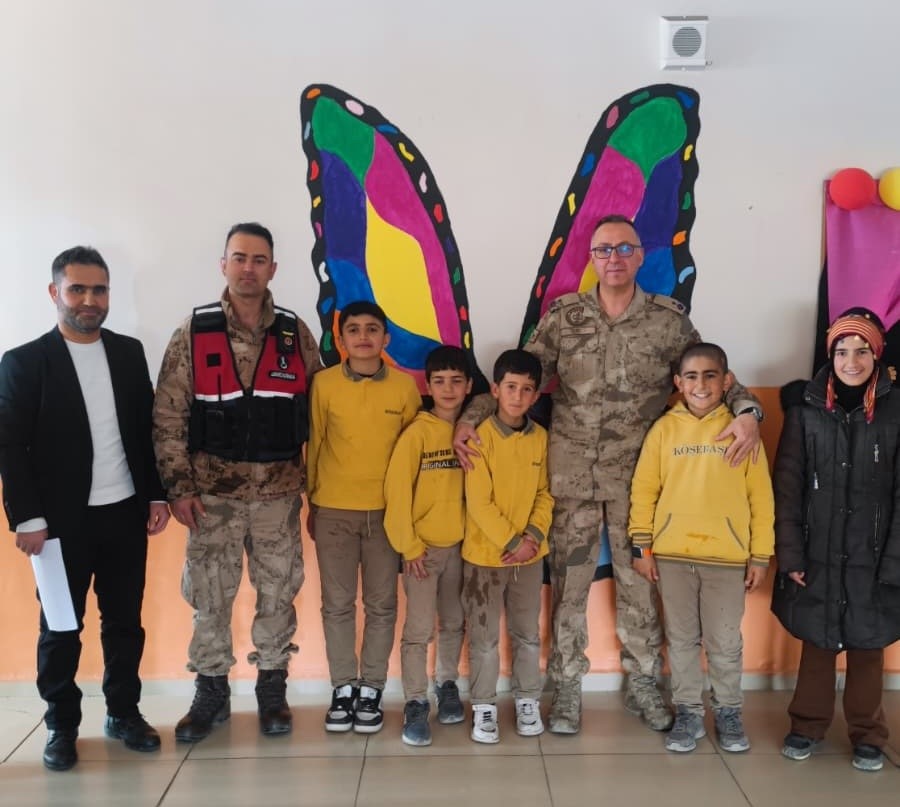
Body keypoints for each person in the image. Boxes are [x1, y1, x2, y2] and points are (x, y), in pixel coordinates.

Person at [454, 214, 763, 734]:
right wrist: (469, 418)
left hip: (640, 479)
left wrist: (749, 411)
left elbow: (707, 374)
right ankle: (566, 689)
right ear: (591, 258)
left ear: (640, 255)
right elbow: (519, 378)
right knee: (569, 586)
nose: (614, 258)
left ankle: (644, 683)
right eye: (603, 250)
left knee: (639, 583)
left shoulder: (668, 321)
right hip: (571, 474)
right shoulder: (565, 316)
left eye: (624, 248)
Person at [0, 246, 170, 771]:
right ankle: (61, 725)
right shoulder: (24, 362)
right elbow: (10, 445)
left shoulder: (128, 352)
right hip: (55, 525)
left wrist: (156, 494)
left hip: (124, 514)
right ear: (56, 292)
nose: (90, 300)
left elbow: (146, 430)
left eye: (99, 289)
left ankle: (124, 712)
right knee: (60, 629)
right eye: (78, 289)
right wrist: (28, 519)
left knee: (124, 624)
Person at [152, 222, 322, 741]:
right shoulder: (194, 331)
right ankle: (211, 693)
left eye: (259, 259)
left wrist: (318, 493)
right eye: (240, 258)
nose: (249, 268)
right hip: (211, 498)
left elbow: (321, 415)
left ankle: (272, 690)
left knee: (278, 594)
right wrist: (179, 488)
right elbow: (169, 415)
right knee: (210, 598)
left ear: (273, 269)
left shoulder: (295, 333)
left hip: (278, 496)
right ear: (223, 264)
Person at [629, 343, 774, 754]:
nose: (701, 384)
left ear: (727, 381)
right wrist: (642, 546)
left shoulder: (743, 430)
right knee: (681, 640)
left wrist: (760, 555)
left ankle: (728, 711)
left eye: (710, 375)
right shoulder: (664, 430)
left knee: (725, 642)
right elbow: (644, 489)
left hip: (726, 559)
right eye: (691, 376)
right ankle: (689, 712)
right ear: (678, 382)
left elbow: (761, 498)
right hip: (672, 557)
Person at [772, 308, 900, 773]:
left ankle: (868, 732)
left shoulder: (895, 411)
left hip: (874, 553)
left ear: (877, 355)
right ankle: (807, 725)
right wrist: (791, 554)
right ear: (830, 355)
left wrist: (894, 562)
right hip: (818, 550)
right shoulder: (806, 411)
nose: (851, 361)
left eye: (861, 351)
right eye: (842, 351)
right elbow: (788, 486)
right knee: (819, 639)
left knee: (869, 642)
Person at [307, 300, 421, 734]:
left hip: (387, 515)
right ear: (341, 340)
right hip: (334, 511)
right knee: (337, 605)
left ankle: (371, 687)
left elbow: (413, 456)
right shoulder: (324, 384)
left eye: (372, 329)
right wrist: (314, 503)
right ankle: (342, 688)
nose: (363, 337)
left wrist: (408, 514)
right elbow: (316, 444)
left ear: (385, 338)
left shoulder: (404, 388)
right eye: (353, 330)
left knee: (382, 605)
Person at [462, 349, 554, 744]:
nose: (518, 396)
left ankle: (527, 699)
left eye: (526, 389)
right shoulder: (479, 437)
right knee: (484, 638)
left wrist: (531, 538)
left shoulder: (541, 439)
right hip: (485, 556)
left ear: (536, 395)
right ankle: (484, 705)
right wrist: (513, 541)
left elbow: (546, 494)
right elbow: (478, 502)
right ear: (496, 390)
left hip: (530, 558)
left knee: (527, 633)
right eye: (511, 387)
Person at [384, 345, 472, 746]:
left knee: (454, 621)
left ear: (468, 386)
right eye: (439, 381)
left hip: (462, 549)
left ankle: (446, 683)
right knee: (419, 630)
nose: (448, 389)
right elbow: (397, 493)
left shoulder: (473, 432)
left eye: (456, 381)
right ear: (428, 386)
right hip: (422, 551)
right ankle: (416, 701)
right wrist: (409, 547)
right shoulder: (417, 434)